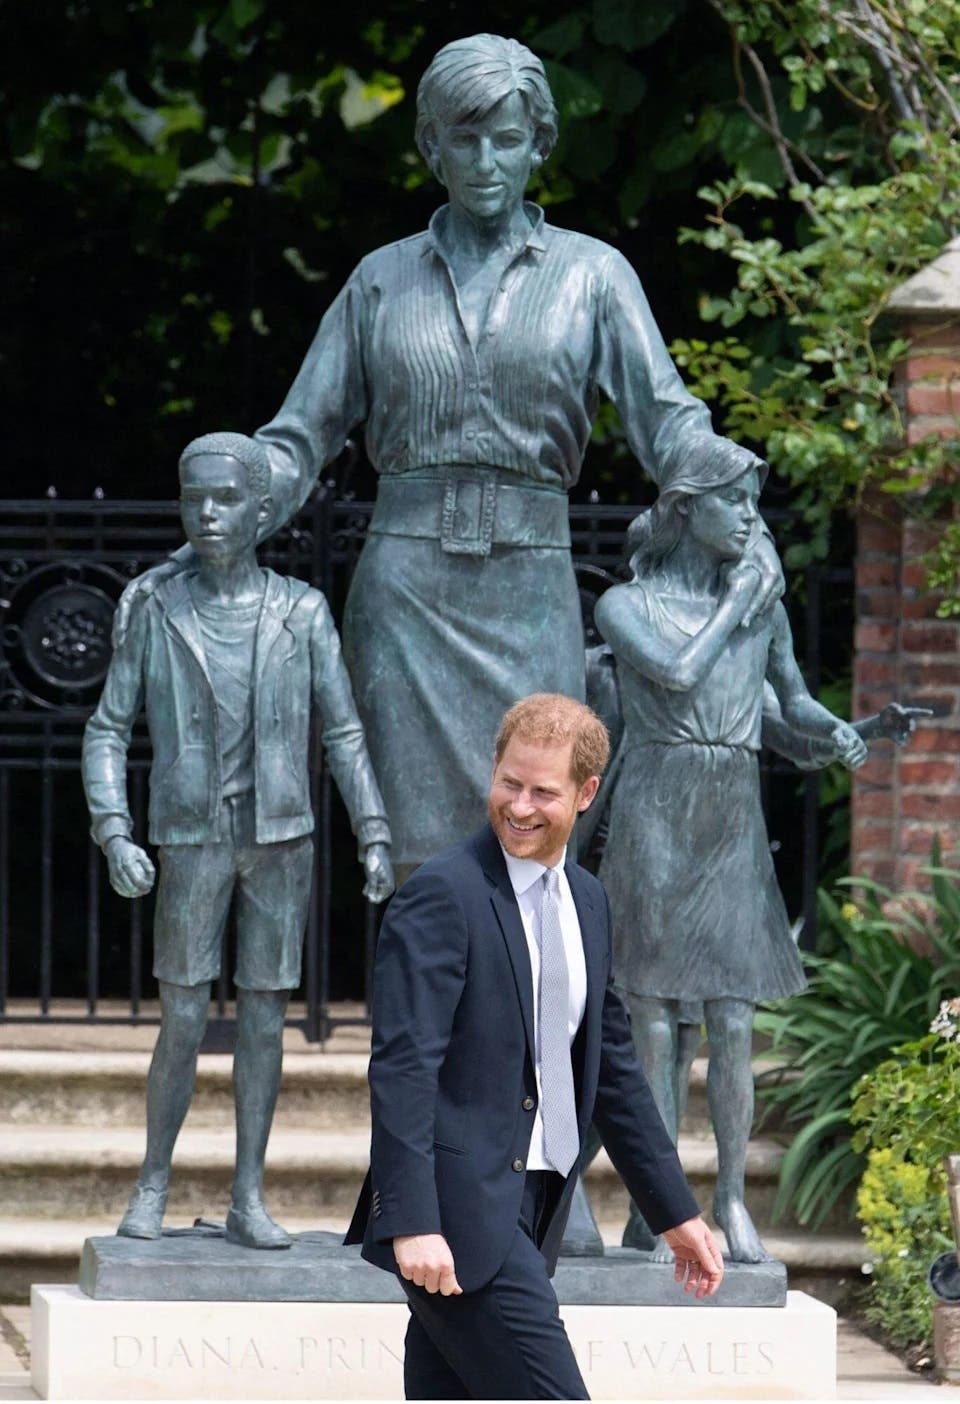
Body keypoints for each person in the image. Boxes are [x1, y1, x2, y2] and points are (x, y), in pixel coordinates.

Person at [114, 33, 783, 883]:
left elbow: (671, 424)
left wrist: (737, 503)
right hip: (405, 597)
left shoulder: (594, 277)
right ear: (431, 145)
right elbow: (297, 440)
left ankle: (516, 1022)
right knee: (416, 857)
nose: (485, 161)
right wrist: (222, 525)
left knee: (531, 827)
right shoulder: (381, 281)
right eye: (463, 139)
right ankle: (419, 1021)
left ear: (539, 143)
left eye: (506, 139)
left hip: (530, 584)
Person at [344, 693, 724, 1401]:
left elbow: (611, 1068)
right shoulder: (441, 895)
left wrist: (674, 1211)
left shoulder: (586, 900)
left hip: (531, 1206)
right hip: (457, 1218)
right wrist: (414, 1222)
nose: (519, 806)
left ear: (585, 794)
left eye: (542, 792)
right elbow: (402, 1070)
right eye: (508, 783)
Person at [82, 432, 394, 1248]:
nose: (208, 514)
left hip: (280, 839)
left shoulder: (301, 611)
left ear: (262, 511)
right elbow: (107, 730)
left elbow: (345, 732)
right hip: (191, 837)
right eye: (194, 498)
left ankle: (247, 1196)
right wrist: (114, 831)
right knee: (182, 1015)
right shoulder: (156, 608)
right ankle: (153, 1181)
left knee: (264, 1018)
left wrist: (373, 832)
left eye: (225, 500)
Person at [593, 436, 870, 1264]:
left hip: (729, 813)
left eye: (755, 503)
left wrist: (834, 734)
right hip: (655, 806)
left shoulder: (763, 608)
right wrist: (741, 598)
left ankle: (731, 1203)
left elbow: (787, 708)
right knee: (650, 1022)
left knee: (734, 1019)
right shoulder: (627, 606)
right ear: (686, 509)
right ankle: (654, 1200)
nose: (751, 518)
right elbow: (677, 674)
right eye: (736, 502)